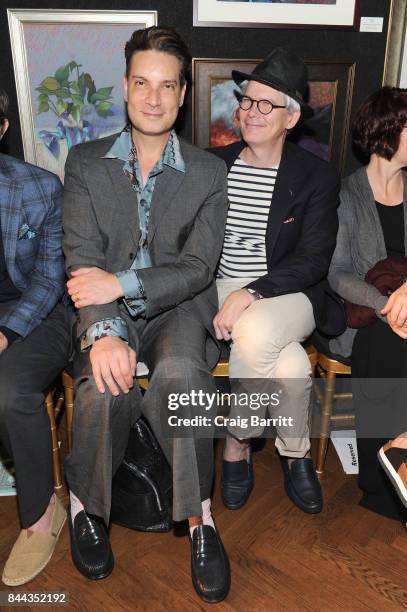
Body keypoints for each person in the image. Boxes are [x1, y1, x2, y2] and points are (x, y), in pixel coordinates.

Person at [62, 26, 230, 603]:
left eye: (167, 86)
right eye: (142, 83)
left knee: (184, 379)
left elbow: (198, 268)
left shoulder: (209, 172)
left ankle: (200, 520)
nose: (153, 98)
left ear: (183, 95)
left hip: (177, 309)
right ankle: (85, 510)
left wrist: (123, 280)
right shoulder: (85, 163)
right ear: (127, 86)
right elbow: (82, 262)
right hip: (105, 310)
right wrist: (106, 329)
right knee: (103, 388)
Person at [209, 48, 344, 514]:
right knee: (290, 366)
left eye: (267, 104)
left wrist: (251, 293)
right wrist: (231, 293)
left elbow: (313, 259)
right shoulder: (214, 165)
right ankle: (296, 453)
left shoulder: (316, 177)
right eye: (247, 101)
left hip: (288, 291)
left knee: (259, 328)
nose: (252, 112)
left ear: (291, 117)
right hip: (220, 287)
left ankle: (236, 442)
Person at [0, 89, 71, 586]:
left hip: (37, 313)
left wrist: (5, 333)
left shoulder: (39, 188)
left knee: (8, 390)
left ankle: (42, 512)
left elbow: (49, 280)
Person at [328, 86, 407, 521]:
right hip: (365, 318)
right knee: (389, 341)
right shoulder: (345, 194)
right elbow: (338, 273)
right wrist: (387, 305)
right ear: (387, 132)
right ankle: (384, 485)